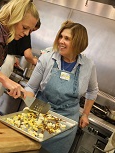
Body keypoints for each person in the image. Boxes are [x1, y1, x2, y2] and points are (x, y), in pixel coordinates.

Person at [24, 20, 99, 153]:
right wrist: (33, 109)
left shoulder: (88, 65)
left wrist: (85, 114)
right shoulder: (46, 59)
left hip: (66, 124)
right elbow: (30, 87)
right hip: (41, 115)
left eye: (67, 38)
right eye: (61, 36)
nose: (61, 41)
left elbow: (92, 90)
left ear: (79, 43)